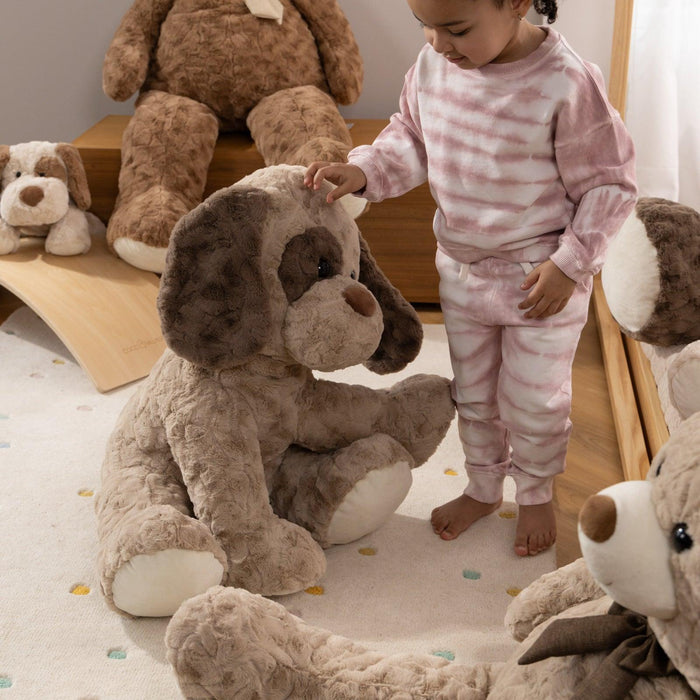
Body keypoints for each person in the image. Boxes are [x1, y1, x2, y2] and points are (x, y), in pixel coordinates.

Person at [304, 0, 637, 557]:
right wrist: (365, 169)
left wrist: (571, 263)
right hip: (462, 273)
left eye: (456, 29)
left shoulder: (566, 81)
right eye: (426, 26)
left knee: (533, 399)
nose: (438, 43)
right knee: (475, 393)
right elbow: (412, 137)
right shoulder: (434, 66)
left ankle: (535, 490)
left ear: (517, 3)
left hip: (542, 280)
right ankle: (483, 486)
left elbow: (610, 184)